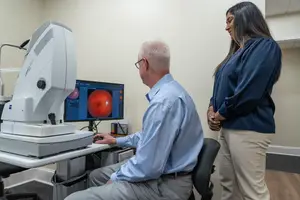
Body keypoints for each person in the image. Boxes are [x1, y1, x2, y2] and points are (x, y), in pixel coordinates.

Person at [65, 40, 204, 200]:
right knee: (96, 176)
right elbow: (147, 136)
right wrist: (115, 141)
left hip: (164, 187)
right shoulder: (173, 92)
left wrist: (116, 178)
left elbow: (148, 166)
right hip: (166, 176)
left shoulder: (163, 102)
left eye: (138, 64)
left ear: (144, 64)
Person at [207, 2, 282, 200]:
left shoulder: (265, 46)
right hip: (229, 126)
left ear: (246, 17)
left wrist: (221, 112)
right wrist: (211, 109)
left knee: (252, 192)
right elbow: (220, 89)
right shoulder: (234, 54)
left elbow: (250, 90)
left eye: (230, 20)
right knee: (228, 186)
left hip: (249, 128)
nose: (226, 27)